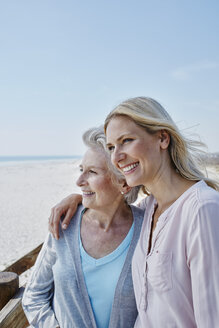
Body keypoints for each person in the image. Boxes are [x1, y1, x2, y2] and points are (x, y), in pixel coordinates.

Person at [49, 97, 219, 327]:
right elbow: (113, 206)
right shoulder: (149, 210)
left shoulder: (202, 210)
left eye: (126, 140)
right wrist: (79, 199)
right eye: (111, 147)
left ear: (162, 138)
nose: (116, 157)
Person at [22, 126, 144, 328]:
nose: (79, 181)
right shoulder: (64, 224)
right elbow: (33, 296)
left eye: (92, 172)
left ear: (124, 183)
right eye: (81, 170)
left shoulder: (147, 229)